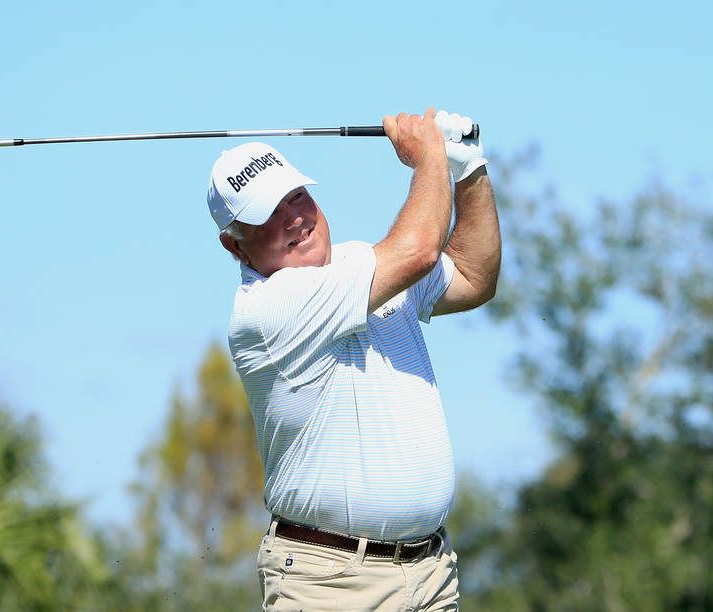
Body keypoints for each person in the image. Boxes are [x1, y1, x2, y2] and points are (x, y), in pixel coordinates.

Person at [206, 108, 500, 612]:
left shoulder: (364, 264)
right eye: (267, 215)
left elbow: (474, 275)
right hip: (329, 586)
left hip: (430, 574)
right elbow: (419, 252)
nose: (294, 217)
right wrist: (428, 155)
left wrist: (466, 168)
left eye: (296, 195)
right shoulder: (269, 309)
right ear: (235, 246)